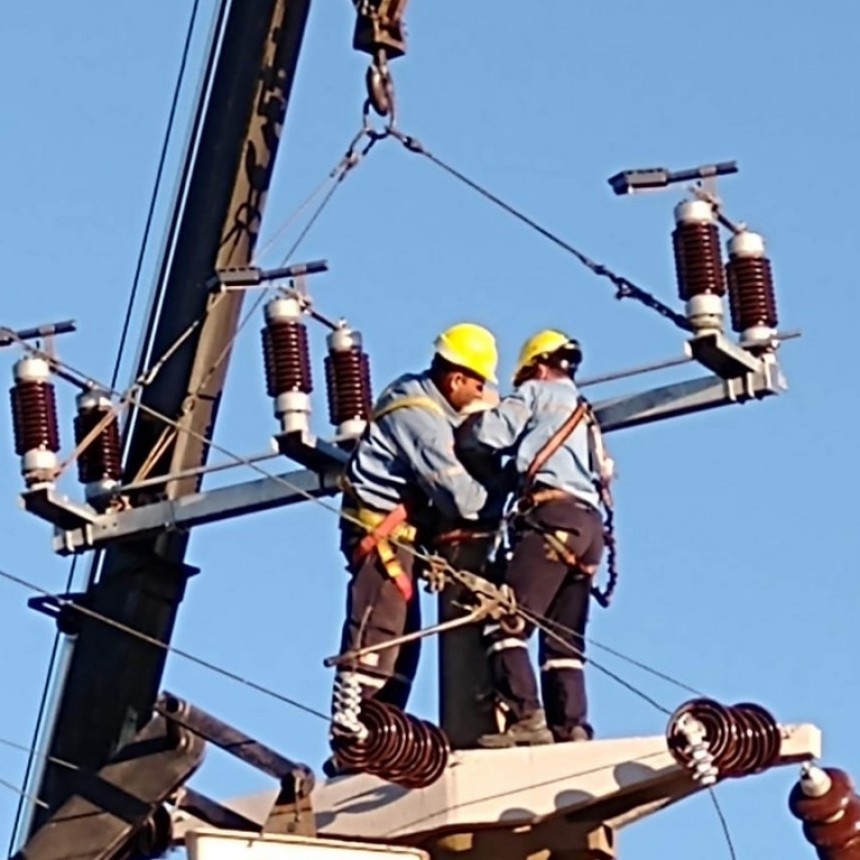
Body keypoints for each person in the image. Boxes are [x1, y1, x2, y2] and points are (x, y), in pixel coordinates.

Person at [331, 322, 501, 723]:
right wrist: (505, 486)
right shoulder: (419, 420)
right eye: (477, 385)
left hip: (399, 538)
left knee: (405, 643)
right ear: (456, 378)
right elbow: (461, 498)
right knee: (379, 634)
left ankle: (383, 735)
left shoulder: (421, 394)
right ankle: (352, 735)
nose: (481, 394)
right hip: (382, 535)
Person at [456, 329, 613, 747]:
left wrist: (471, 419)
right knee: (564, 641)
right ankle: (572, 727)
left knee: (502, 619)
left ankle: (527, 716)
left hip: (550, 517)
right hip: (588, 528)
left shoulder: (533, 395)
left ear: (537, 366)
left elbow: (485, 437)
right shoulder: (584, 412)